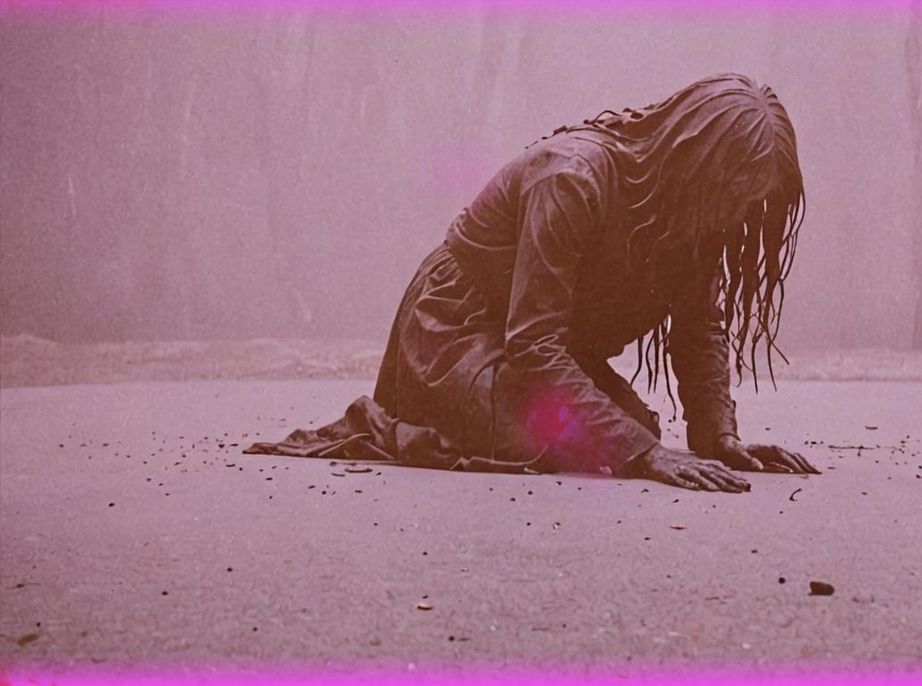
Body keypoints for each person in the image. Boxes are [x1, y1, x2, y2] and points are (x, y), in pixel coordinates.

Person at [247, 73, 821, 493]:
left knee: (630, 432)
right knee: (574, 442)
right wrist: (642, 452)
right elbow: (533, 342)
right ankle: (390, 419)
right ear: (696, 163)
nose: (735, 212)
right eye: (733, 190)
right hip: (455, 330)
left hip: (539, 348)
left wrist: (719, 438)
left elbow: (698, 329)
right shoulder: (572, 178)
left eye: (749, 198)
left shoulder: (689, 218)